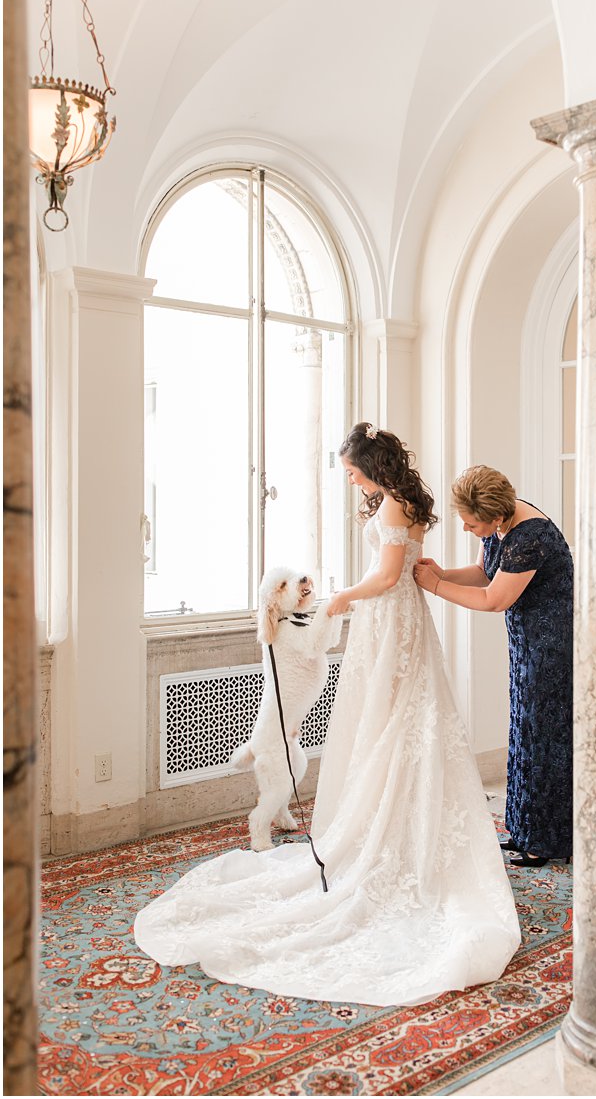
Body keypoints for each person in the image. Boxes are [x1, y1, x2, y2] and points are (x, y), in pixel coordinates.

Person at [134, 423, 520, 1006]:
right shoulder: (410, 501)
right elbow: (406, 566)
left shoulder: (394, 504)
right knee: (404, 720)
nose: (350, 477)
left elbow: (389, 576)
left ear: (371, 464)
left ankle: (387, 835)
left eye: (351, 469)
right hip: (405, 620)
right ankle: (399, 822)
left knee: (390, 721)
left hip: (390, 620)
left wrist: (344, 597)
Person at [415, 465, 573, 866]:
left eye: (471, 525)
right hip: (527, 641)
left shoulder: (530, 536)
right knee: (526, 730)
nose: (467, 529)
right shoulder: (504, 523)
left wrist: (434, 586)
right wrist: (442, 574)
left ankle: (545, 841)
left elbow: (493, 599)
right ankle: (523, 831)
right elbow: (488, 572)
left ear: (497, 517)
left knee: (543, 737)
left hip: (551, 645)